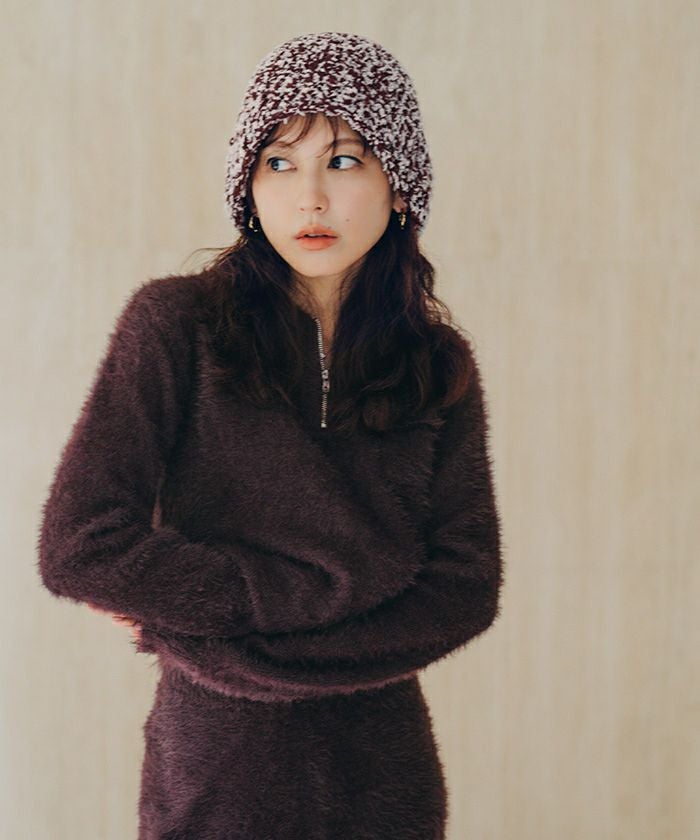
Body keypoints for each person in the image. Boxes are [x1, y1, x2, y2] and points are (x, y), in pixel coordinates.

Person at [37, 31, 504, 839]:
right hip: (215, 771)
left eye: (345, 161)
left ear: (400, 187)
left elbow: (464, 589)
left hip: (381, 778)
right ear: (248, 188)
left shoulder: (436, 364)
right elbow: (79, 545)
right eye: (279, 163)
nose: (309, 198)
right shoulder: (175, 325)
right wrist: (328, 592)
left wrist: (205, 633)